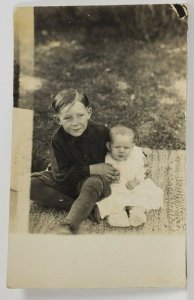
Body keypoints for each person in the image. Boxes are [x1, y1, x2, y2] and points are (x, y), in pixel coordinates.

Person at [30, 88, 119, 234]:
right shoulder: (58, 140)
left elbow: (120, 146)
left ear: (89, 112)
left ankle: (69, 224)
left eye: (80, 115)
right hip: (65, 182)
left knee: (95, 181)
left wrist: (140, 157)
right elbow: (60, 175)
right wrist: (91, 168)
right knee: (30, 183)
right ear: (58, 119)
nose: (75, 123)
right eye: (67, 118)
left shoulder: (102, 131)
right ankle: (85, 207)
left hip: (92, 184)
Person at [95, 125, 164, 227]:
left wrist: (136, 181)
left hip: (132, 185)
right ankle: (118, 215)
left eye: (126, 147)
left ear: (132, 147)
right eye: (117, 147)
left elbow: (141, 170)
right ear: (109, 146)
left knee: (143, 194)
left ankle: (136, 211)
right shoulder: (107, 159)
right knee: (112, 199)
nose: (121, 150)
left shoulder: (135, 157)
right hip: (115, 188)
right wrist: (108, 179)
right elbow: (102, 173)